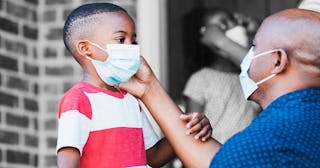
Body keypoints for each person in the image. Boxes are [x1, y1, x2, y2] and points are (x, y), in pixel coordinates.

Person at [119, 8, 320, 167]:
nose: (248, 54)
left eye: (254, 47)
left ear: (277, 62)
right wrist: (149, 88)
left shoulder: (270, 139)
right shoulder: (305, 119)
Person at [56, 3, 213, 168]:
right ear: (85, 48)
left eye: (133, 41)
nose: (130, 48)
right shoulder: (78, 99)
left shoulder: (129, 99)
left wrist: (191, 130)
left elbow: (154, 156)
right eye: (121, 39)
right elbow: (67, 161)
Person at [183, 7, 260, 143]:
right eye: (222, 24)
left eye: (232, 20)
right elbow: (191, 134)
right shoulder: (201, 79)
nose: (230, 27)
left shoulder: (251, 76)